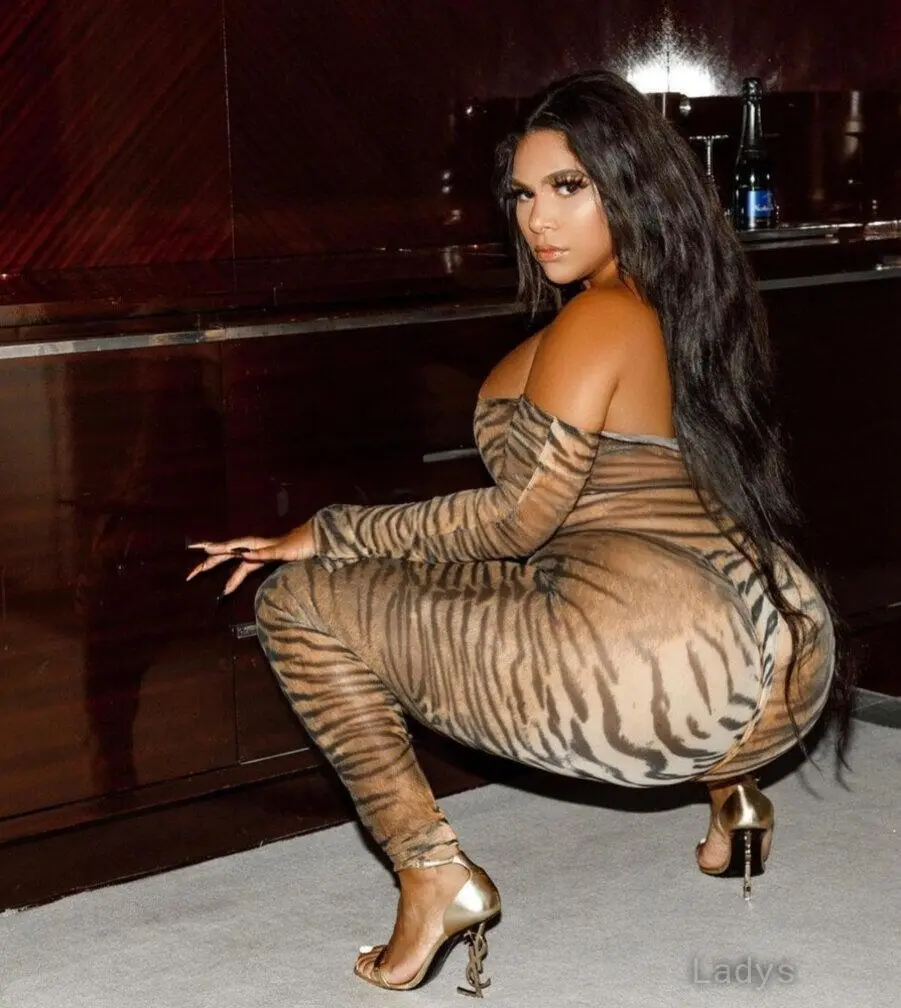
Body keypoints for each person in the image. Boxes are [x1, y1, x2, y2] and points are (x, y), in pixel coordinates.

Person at [187, 70, 850, 997]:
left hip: (650, 665)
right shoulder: (684, 304)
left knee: (297, 602)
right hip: (779, 652)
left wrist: (328, 531)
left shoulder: (602, 316)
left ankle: (431, 873)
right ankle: (733, 801)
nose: (539, 219)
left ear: (629, 184)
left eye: (568, 187)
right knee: (560, 577)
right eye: (523, 194)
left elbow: (517, 518)